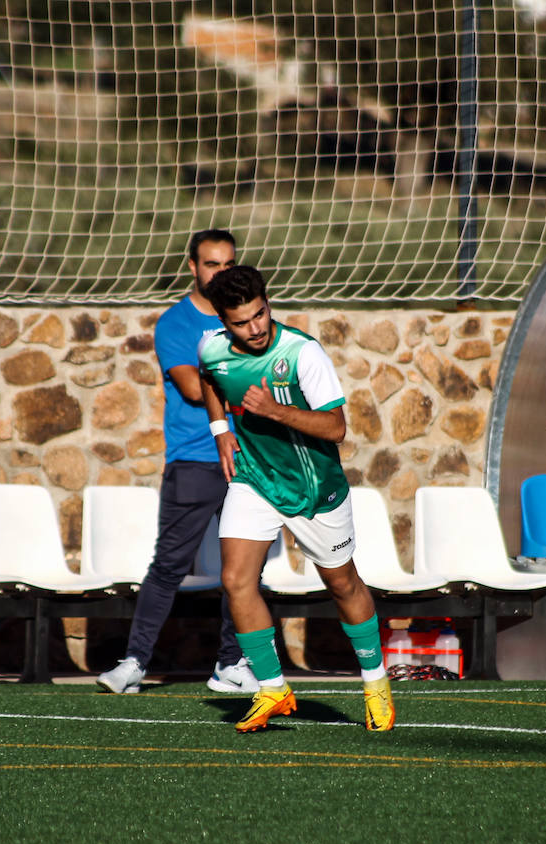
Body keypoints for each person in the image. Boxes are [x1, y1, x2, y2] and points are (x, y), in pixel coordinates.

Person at [197, 265, 394, 732]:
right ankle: (272, 689)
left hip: (314, 489)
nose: (256, 327)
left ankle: (376, 684)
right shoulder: (212, 348)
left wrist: (274, 411)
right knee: (235, 579)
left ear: (268, 305)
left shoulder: (302, 354)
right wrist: (221, 429)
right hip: (254, 479)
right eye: (242, 322)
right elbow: (209, 378)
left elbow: (336, 428)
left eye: (261, 314)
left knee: (343, 585)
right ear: (225, 323)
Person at [97, 230, 258, 695]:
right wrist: (245, 380)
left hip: (247, 462)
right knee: (169, 566)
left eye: (228, 264)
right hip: (194, 461)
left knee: (244, 573)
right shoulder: (175, 324)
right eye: (211, 264)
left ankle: (232, 663)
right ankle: (133, 663)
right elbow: (193, 389)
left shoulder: (248, 319)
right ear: (193, 267)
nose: (220, 273)